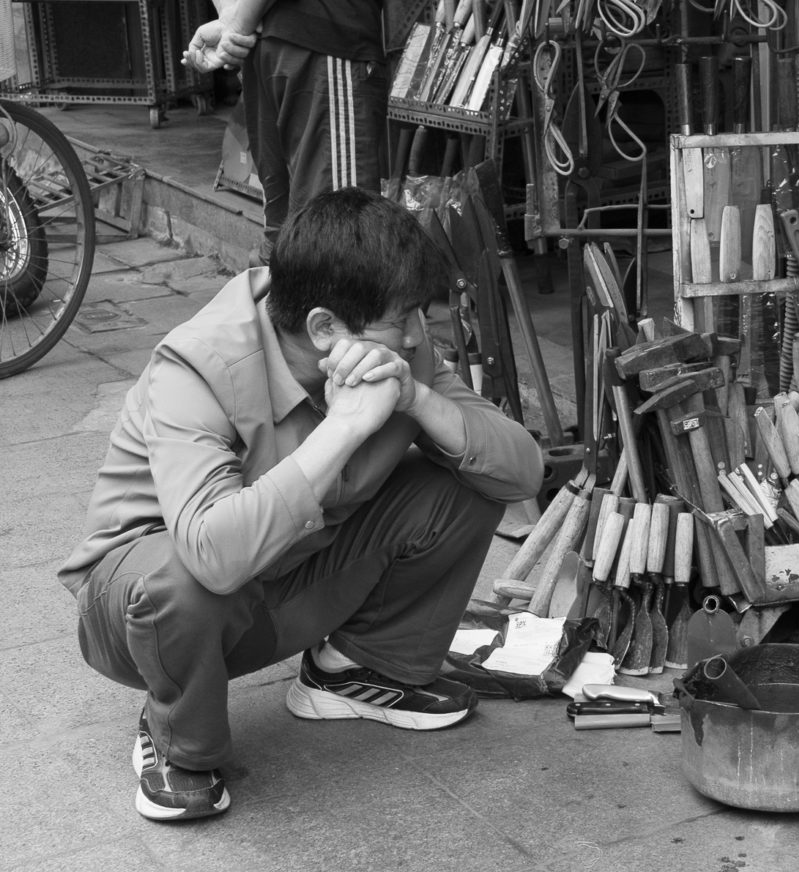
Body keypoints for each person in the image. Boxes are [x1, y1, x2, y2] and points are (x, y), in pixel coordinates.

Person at [59, 188, 544, 822]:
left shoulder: (398, 350)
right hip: (142, 619)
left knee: (466, 470)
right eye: (402, 319)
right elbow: (212, 558)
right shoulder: (196, 366)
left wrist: (419, 401)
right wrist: (343, 428)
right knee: (184, 575)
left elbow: (521, 473)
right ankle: (178, 740)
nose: (417, 335)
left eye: (420, 315)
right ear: (324, 328)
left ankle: (355, 669)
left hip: (285, 580)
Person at [184, 0, 387, 261]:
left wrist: (233, 14)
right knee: (340, 236)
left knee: (287, 235)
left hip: (266, 40)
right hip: (320, 31)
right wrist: (237, 21)